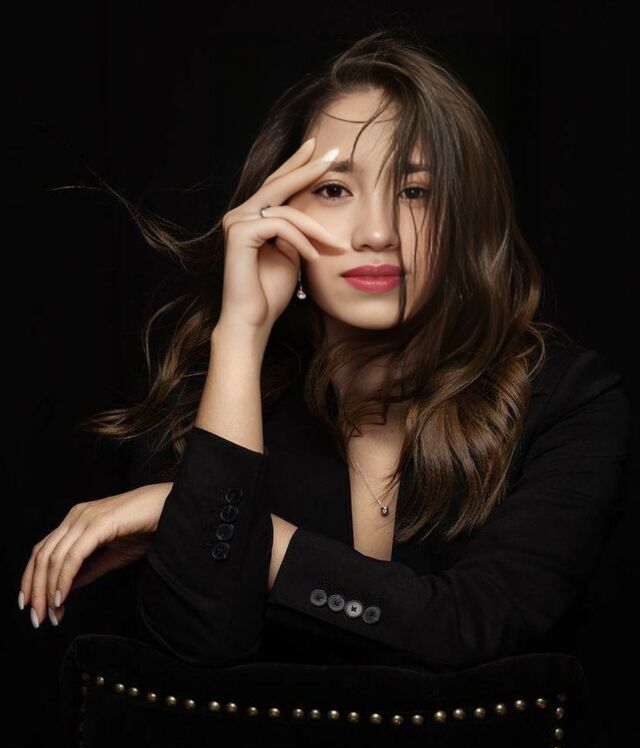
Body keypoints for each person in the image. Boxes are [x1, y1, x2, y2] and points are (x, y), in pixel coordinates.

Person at [19, 30, 630, 673]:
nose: (377, 233)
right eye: (335, 190)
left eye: (415, 191)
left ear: (464, 219)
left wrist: (200, 516)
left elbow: (472, 628)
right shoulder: (222, 394)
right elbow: (199, 647)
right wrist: (241, 333)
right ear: (279, 211)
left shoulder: (568, 401)